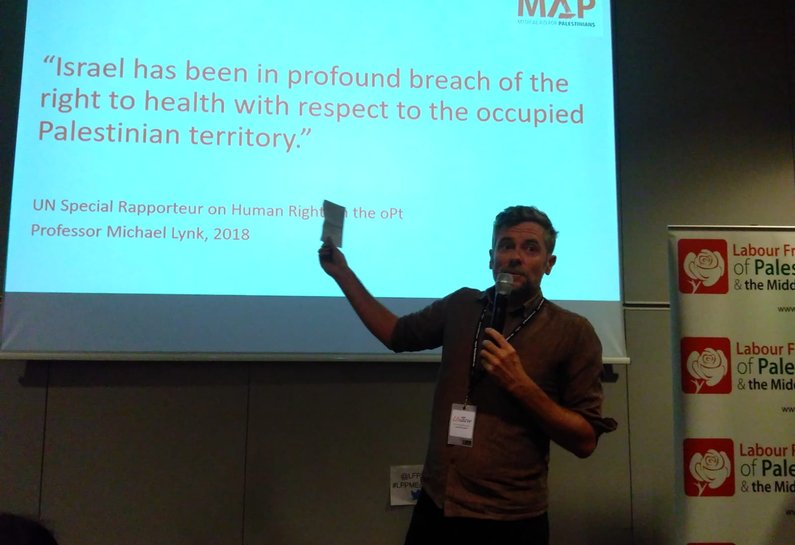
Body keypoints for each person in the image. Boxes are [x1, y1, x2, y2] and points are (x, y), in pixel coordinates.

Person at [319, 205, 616, 545]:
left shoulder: (572, 332)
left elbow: (584, 440)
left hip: (511, 519)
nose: (515, 257)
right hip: (438, 505)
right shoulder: (462, 306)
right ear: (491, 259)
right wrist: (342, 273)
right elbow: (396, 334)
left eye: (530, 248)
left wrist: (521, 385)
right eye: (506, 246)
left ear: (549, 263)